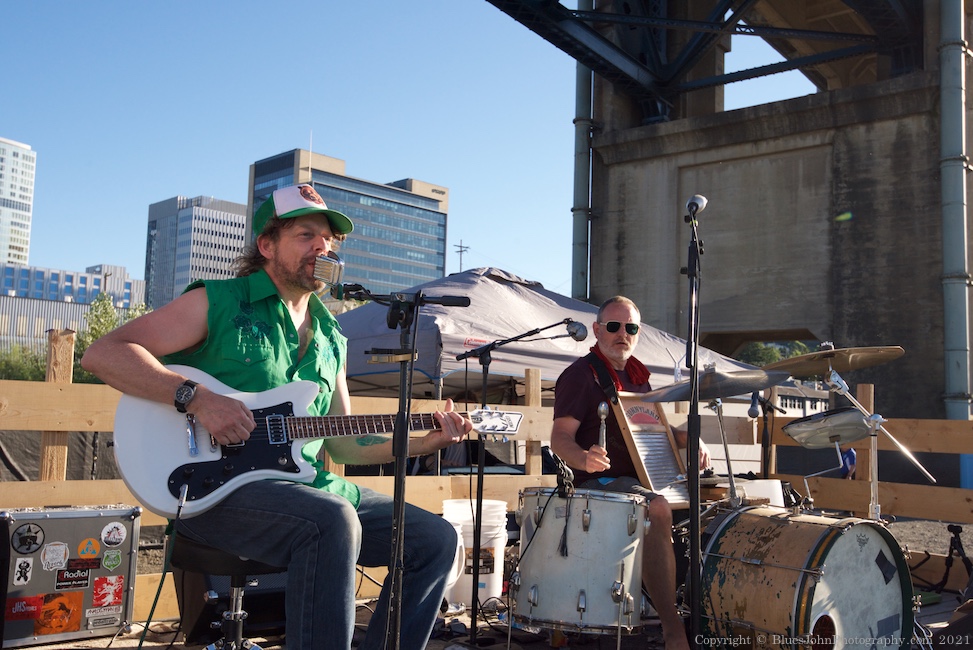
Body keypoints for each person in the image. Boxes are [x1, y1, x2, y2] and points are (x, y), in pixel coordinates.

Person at [81, 184, 473, 650]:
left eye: (328, 240)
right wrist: (196, 396)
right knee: (334, 519)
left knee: (436, 540)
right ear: (267, 246)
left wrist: (423, 442)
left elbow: (343, 444)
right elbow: (105, 353)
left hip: (309, 489)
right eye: (306, 235)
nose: (321, 247)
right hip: (213, 491)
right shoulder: (221, 300)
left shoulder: (333, 336)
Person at [550, 296, 710, 650]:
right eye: (614, 326)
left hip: (640, 481)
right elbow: (560, 437)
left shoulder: (638, 378)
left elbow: (652, 434)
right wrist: (583, 458)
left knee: (709, 510)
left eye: (631, 328)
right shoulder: (581, 376)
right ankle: (673, 628)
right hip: (598, 484)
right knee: (657, 509)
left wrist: (691, 441)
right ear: (597, 330)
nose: (623, 334)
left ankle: (703, 612)